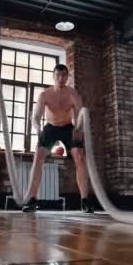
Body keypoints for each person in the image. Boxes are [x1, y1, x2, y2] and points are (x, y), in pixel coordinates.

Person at [22, 64, 94, 213]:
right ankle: (32, 200)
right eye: (58, 75)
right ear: (53, 77)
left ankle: (85, 201)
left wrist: (78, 129)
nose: (61, 78)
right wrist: (38, 129)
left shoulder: (73, 94)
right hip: (50, 127)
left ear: (67, 77)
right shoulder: (45, 95)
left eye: (64, 75)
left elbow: (80, 114)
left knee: (80, 157)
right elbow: (35, 116)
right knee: (39, 156)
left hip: (68, 127)